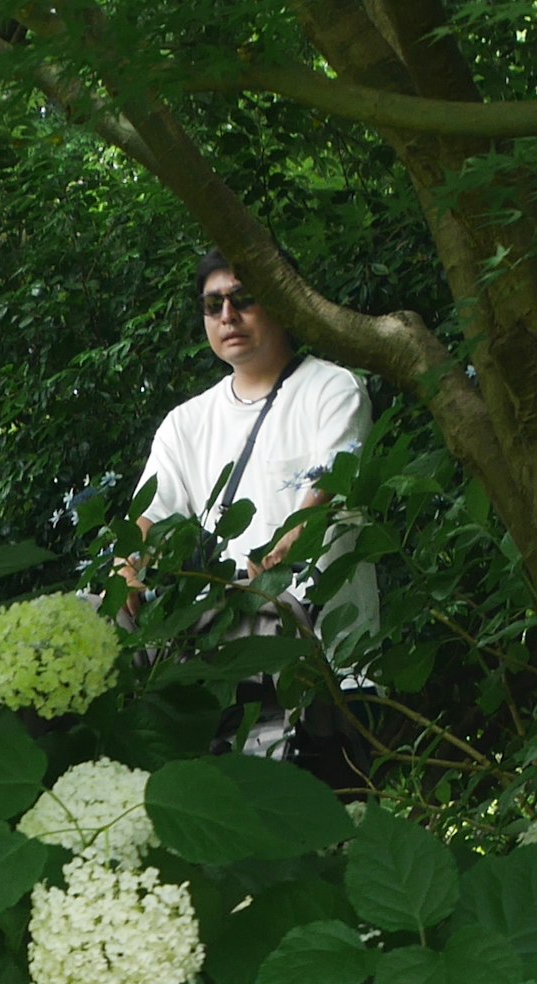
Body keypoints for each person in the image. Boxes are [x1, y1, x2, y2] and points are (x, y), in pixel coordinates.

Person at [131, 256, 380, 782]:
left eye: (243, 298)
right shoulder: (186, 424)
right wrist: (126, 567)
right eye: (212, 304)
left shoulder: (333, 389)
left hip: (334, 669)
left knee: (331, 843)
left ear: (282, 303)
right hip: (230, 674)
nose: (227, 315)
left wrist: (282, 554)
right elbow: (147, 519)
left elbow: (332, 489)